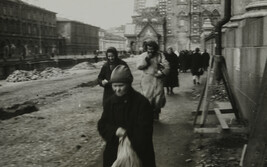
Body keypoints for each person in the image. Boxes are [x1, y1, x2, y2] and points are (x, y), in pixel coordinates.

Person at [98, 65, 156, 167]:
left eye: (121, 85)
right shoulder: (109, 103)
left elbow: (145, 130)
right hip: (114, 153)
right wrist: (115, 131)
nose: (117, 89)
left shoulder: (141, 102)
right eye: (114, 86)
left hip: (138, 152)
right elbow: (102, 125)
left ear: (129, 84)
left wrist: (127, 135)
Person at [137, 40, 170, 120]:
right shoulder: (143, 55)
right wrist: (146, 61)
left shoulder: (160, 55)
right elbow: (139, 66)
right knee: (147, 97)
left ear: (155, 48)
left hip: (157, 79)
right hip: (147, 80)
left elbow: (167, 66)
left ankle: (156, 112)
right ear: (146, 48)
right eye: (149, 49)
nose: (150, 51)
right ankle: (148, 114)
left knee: (158, 97)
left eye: (152, 49)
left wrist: (162, 73)